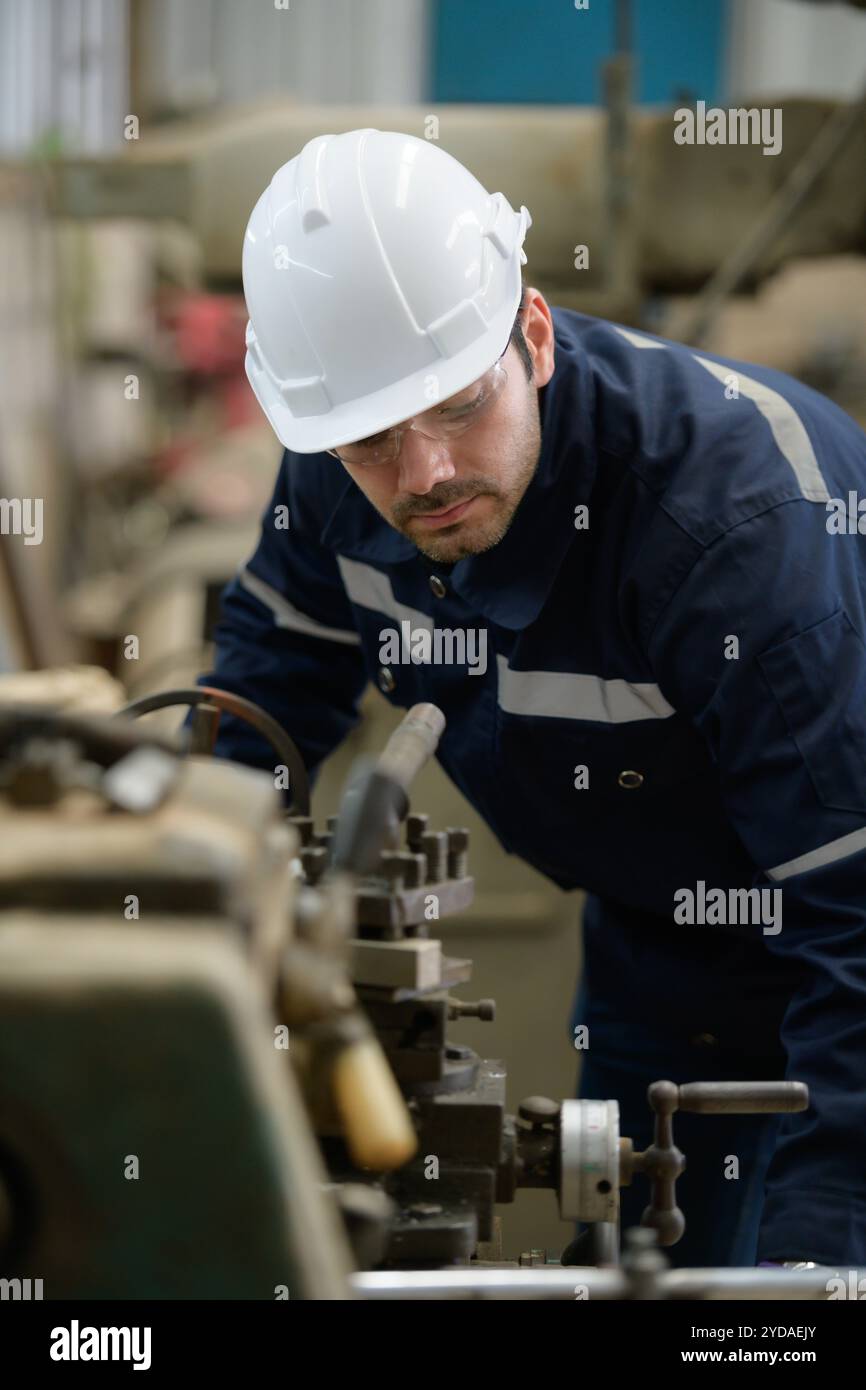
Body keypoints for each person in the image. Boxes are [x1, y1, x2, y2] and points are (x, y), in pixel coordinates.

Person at [198, 128, 866, 1268]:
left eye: (460, 407)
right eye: (369, 440)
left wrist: (815, 1267)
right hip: (659, 936)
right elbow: (264, 699)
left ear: (536, 337)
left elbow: (854, 924)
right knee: (636, 1251)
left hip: (830, 927)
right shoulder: (335, 461)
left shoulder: (732, 537)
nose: (424, 476)